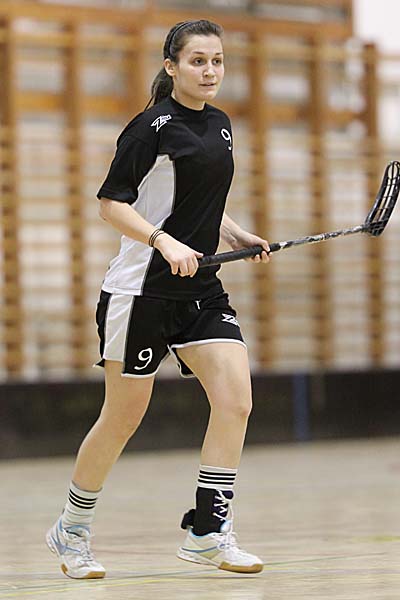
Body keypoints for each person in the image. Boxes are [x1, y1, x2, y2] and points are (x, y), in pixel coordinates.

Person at [46, 18, 270, 579]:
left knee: (236, 402)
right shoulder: (150, 128)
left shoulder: (220, 124)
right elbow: (112, 204)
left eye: (217, 60)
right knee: (122, 418)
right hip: (140, 289)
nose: (210, 71)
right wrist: (162, 241)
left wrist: (234, 234)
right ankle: (71, 530)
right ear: (171, 66)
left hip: (200, 288)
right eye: (198, 61)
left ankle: (207, 532)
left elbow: (195, 198)